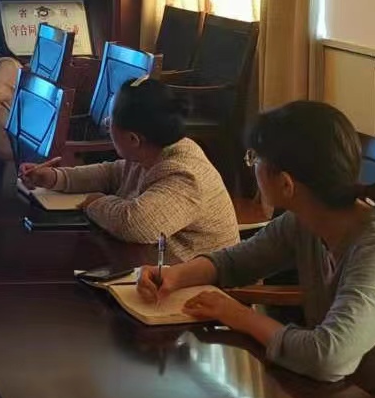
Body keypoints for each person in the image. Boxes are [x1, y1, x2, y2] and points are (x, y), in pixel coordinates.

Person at [136, 100, 375, 398]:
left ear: (286, 184)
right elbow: (238, 261)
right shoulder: (308, 220)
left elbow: (328, 358)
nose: (252, 166)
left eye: (255, 159)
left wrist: (239, 316)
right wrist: (176, 275)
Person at [18, 77, 238, 262]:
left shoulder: (185, 175)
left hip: (202, 287)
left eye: (110, 122)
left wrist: (96, 203)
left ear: (133, 139)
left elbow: (135, 224)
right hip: (157, 267)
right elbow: (110, 174)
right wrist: (55, 178)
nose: (107, 124)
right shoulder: (153, 150)